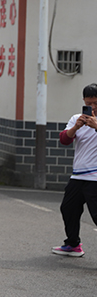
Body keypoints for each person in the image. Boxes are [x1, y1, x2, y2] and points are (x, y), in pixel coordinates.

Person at [52, 83, 97, 257]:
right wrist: (76, 127)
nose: (92, 107)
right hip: (78, 176)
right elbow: (64, 140)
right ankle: (73, 244)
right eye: (88, 103)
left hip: (95, 177)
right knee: (68, 209)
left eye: (96, 103)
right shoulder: (76, 119)